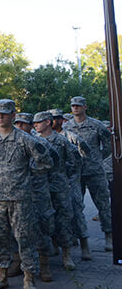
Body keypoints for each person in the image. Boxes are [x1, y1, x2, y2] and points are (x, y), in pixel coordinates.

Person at [0, 99, 53, 289]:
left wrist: (26, 175)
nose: (1, 116)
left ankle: (29, 278)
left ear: (13, 115)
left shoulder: (25, 139)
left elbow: (46, 161)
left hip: (20, 198)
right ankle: (1, 275)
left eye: (5, 113)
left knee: (25, 238)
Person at [63, 96, 113, 251]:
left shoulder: (96, 125)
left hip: (95, 171)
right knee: (76, 206)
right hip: (76, 173)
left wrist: (97, 158)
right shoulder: (67, 127)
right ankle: (80, 238)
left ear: (85, 107)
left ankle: (109, 237)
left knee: (103, 205)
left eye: (78, 105)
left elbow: (109, 145)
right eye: (73, 106)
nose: (75, 108)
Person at [14, 112, 56, 282]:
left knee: (42, 227)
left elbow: (54, 163)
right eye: (17, 124)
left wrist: (41, 176)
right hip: (19, 193)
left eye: (23, 124)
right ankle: (18, 261)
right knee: (17, 229)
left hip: (38, 193)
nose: (20, 127)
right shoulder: (12, 144)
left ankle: (44, 264)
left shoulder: (41, 142)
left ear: (31, 126)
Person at [33, 111, 76, 271]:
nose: (35, 124)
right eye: (35, 122)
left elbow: (74, 160)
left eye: (39, 122)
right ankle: (49, 249)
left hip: (59, 186)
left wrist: (67, 178)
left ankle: (67, 254)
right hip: (41, 187)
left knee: (63, 218)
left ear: (48, 123)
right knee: (44, 219)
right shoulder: (34, 141)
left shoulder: (61, 140)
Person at [49, 108, 92, 260]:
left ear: (61, 120)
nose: (52, 121)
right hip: (51, 183)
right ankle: (55, 245)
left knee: (76, 212)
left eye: (55, 118)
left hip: (69, 181)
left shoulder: (69, 137)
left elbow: (80, 157)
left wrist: (73, 174)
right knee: (53, 214)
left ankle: (84, 245)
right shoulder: (41, 137)